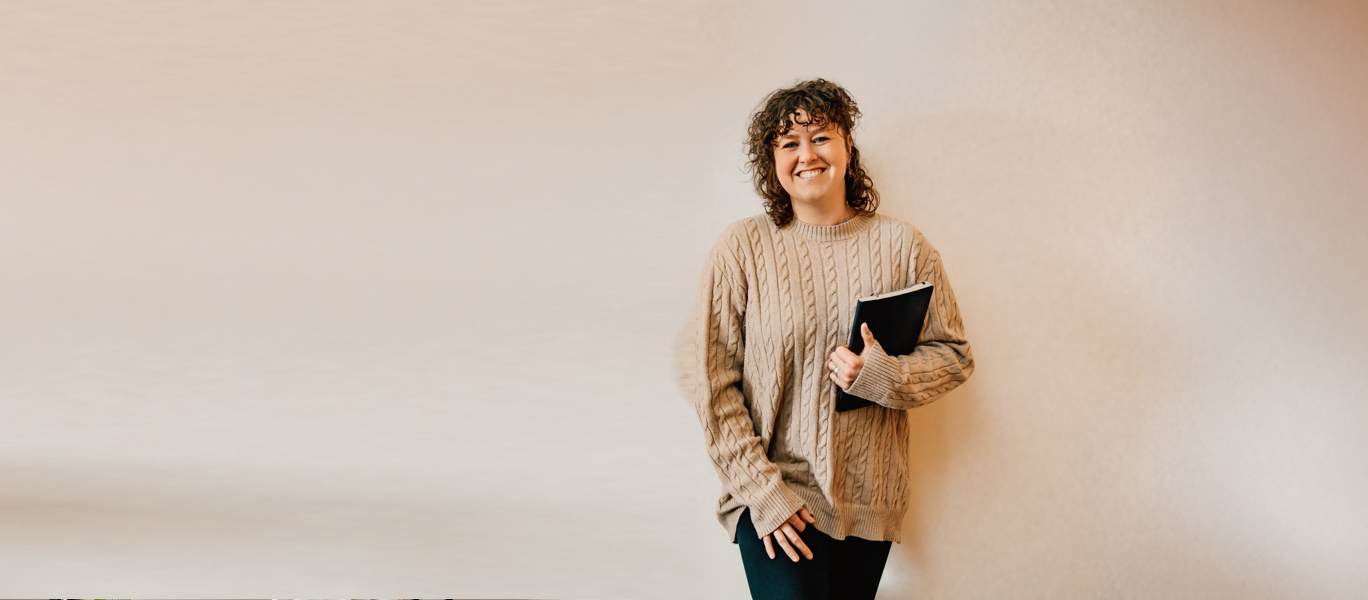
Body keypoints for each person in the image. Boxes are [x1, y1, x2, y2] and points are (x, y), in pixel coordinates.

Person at [686, 78, 975, 599]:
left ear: (847, 148)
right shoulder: (742, 249)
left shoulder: (904, 246)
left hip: (867, 498)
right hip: (776, 491)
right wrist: (763, 492)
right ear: (772, 161)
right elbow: (714, 386)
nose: (806, 154)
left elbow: (954, 356)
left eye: (820, 137)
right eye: (788, 143)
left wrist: (881, 374)